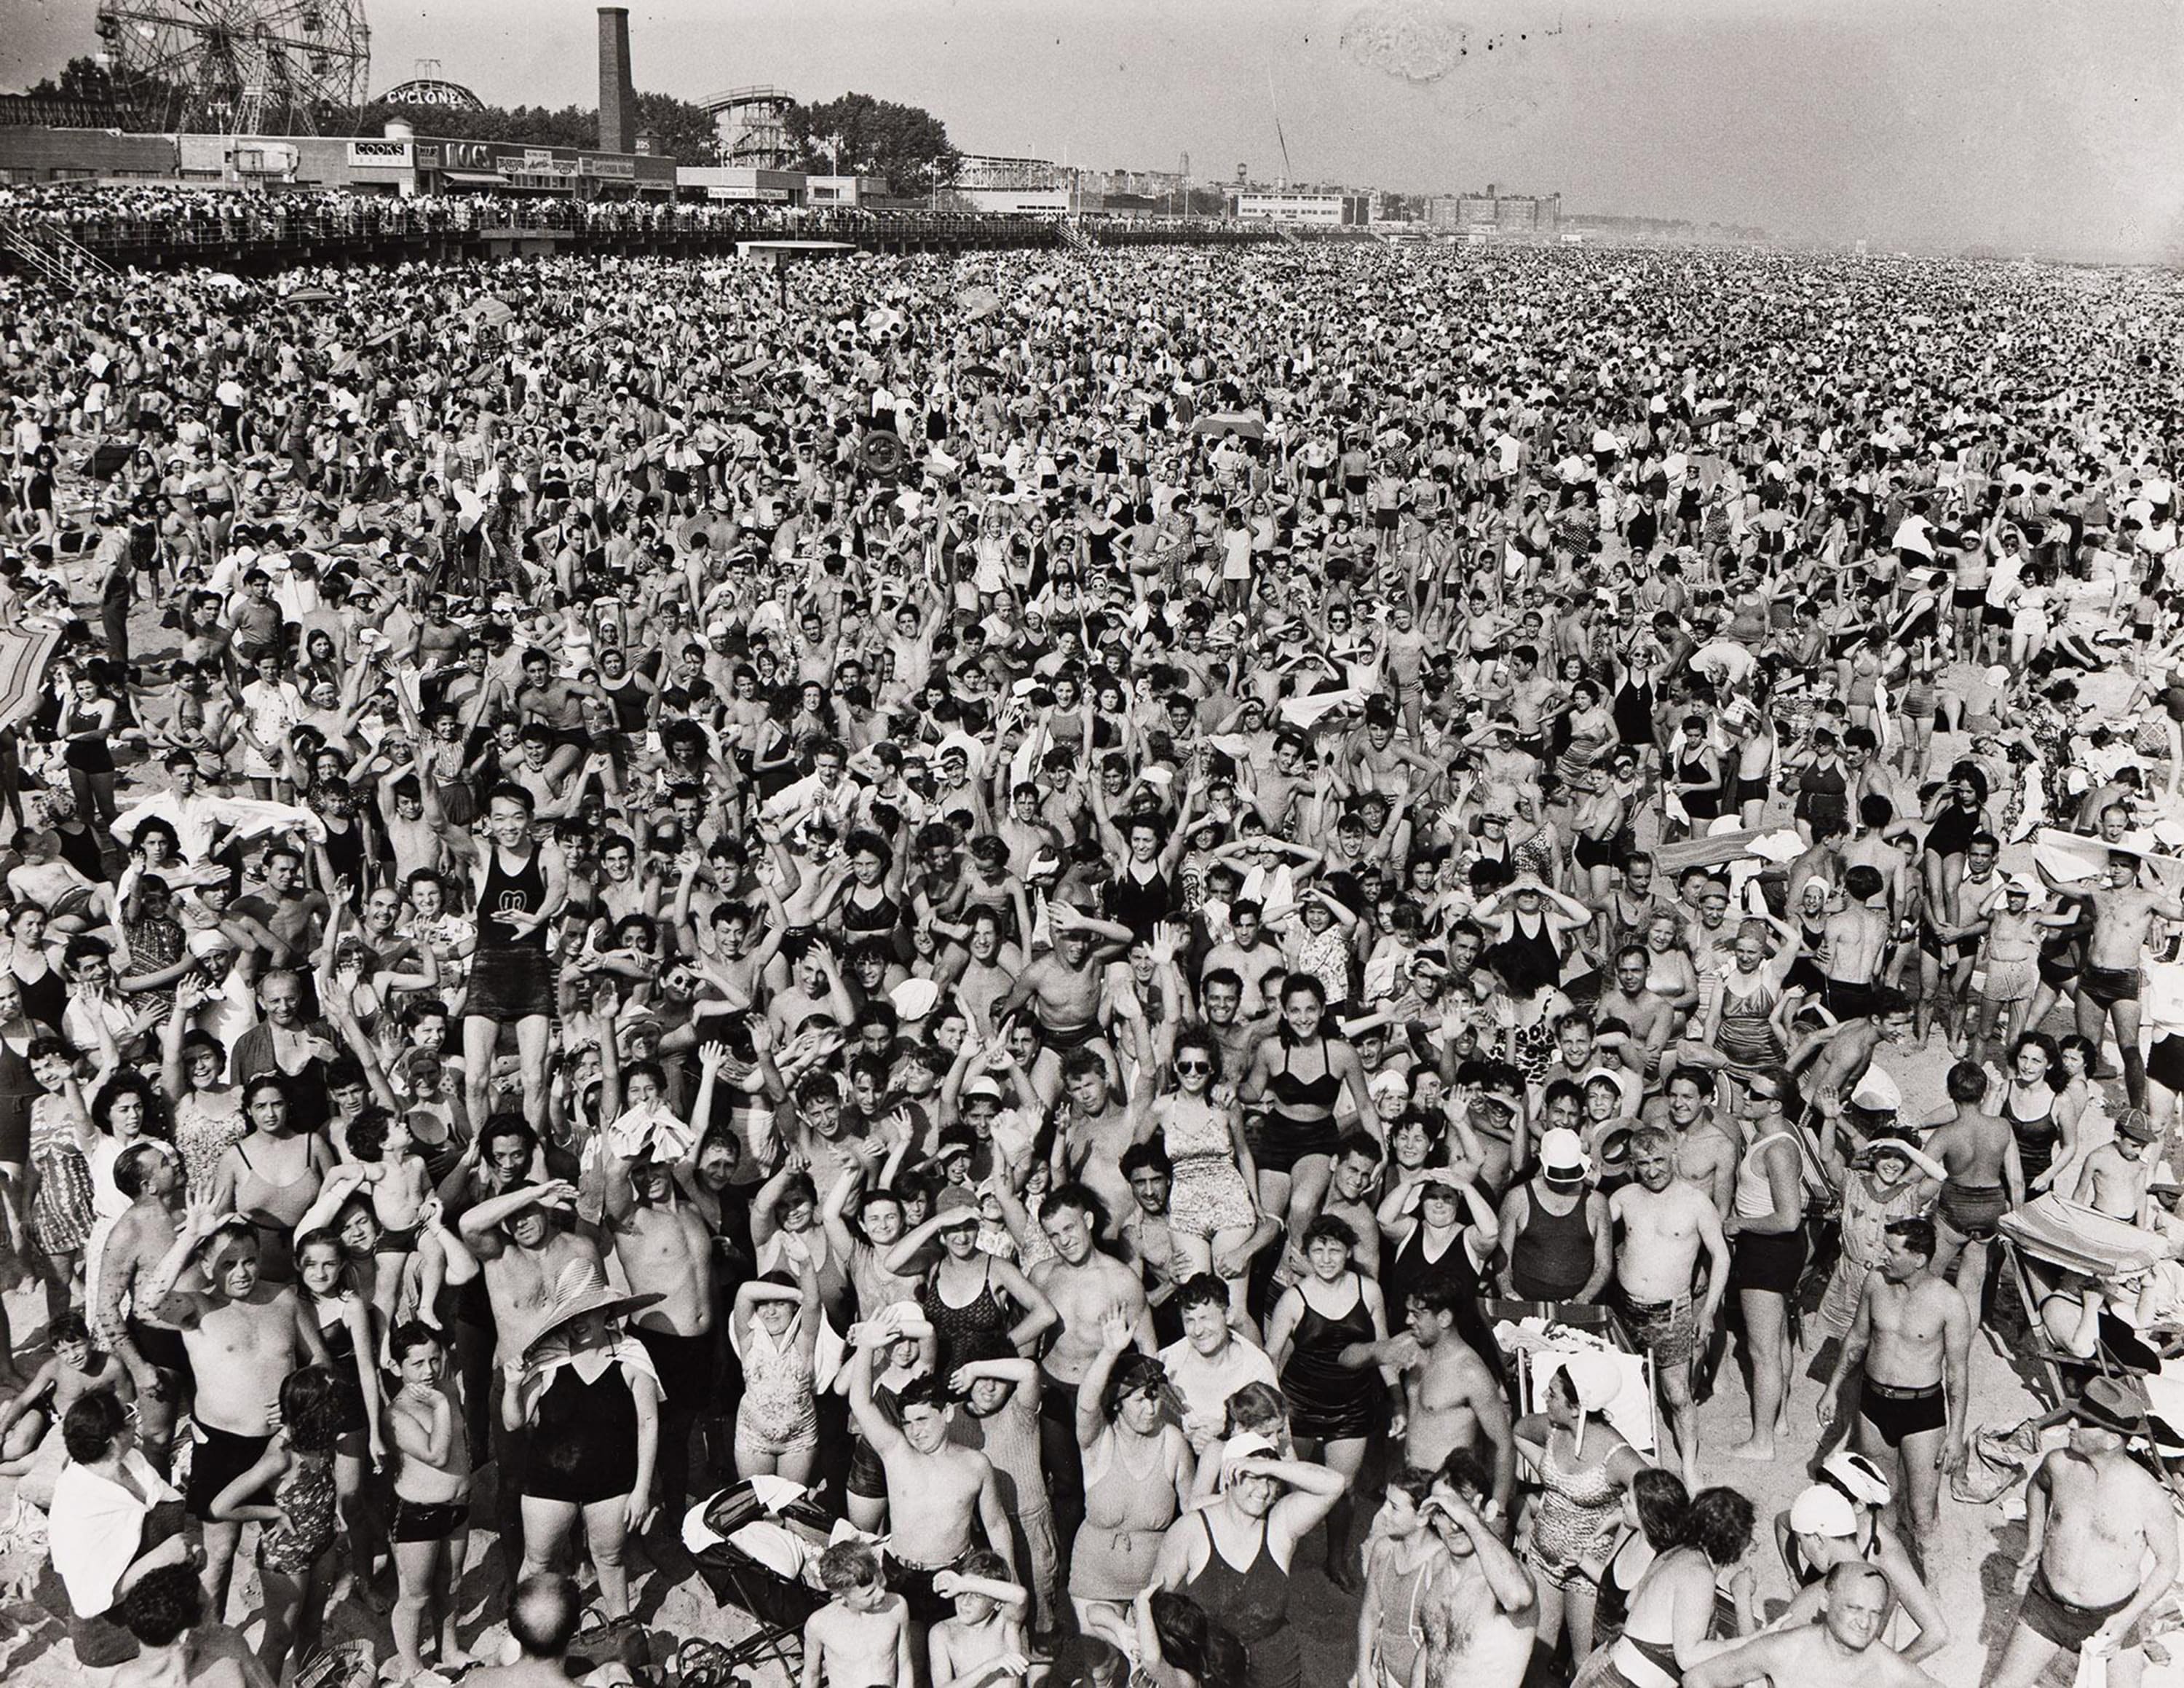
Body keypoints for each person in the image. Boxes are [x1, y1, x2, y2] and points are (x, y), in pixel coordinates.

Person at [1990, 1379, 2180, 1688]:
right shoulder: (2059, 1465)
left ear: (2111, 1440)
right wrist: (2034, 1543)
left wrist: (2127, 1618)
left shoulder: (2148, 1497)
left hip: (2111, 1617)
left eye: (2085, 1422)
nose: (2072, 1424)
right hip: (2047, 1605)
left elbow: (2168, 1564)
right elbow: (2037, 1487)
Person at [504, 1271, 662, 1622]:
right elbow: (513, 1422)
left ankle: (621, 1626)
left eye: (585, 1313)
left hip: (612, 1481)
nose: (577, 1324)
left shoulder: (631, 1355)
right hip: (549, 1481)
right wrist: (513, 1387)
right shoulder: (548, 1358)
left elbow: (648, 1425)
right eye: (570, 1316)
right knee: (538, 1563)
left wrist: (641, 1489)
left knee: (609, 1559)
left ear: (605, 1312)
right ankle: (523, 1635)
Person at [1816, 1218, 1969, 1561]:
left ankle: (1932, 1585)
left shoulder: (1950, 1302)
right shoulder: (1875, 1283)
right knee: (1882, 1497)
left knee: (1923, 1511)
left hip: (1922, 1413)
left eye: (1892, 1251)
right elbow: (1857, 1339)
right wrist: (1832, 1388)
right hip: (1873, 1406)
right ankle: (1886, 1574)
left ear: (1919, 1258)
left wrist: (1956, 1434)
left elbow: (1957, 1373)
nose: (1883, 1256)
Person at [1151, 1432, 1348, 1688]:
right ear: (1229, 1478)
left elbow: (1335, 1484)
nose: (1264, 1490)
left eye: (1271, 1481)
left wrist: (1266, 1466)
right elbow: (1156, 1602)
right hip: (1212, 1670)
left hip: (1276, 1671)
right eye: (1252, 1478)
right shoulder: (1191, 1530)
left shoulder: (1280, 1525)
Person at [1607, 1126, 1728, 1484]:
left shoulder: (1695, 1202)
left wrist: (1707, 1312)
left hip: (1671, 1312)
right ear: (1633, 1163)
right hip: (1625, 1309)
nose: (1653, 1170)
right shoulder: (1626, 1196)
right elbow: (1589, 1226)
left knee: (1677, 1395)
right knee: (1625, 1391)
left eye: (1659, 1160)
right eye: (1643, 1163)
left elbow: (1721, 1257)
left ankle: (1689, 1468)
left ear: (1673, 1154)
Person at [1679, 1562, 1942, 1687]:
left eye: (1875, 1613)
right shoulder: (1785, 1650)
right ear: (1826, 1602)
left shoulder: (1888, 1668)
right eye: (1854, 1608)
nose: (1865, 1622)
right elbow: (1698, 1679)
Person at [1411, 1449, 1538, 1688]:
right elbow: (1432, 1652)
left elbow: (1517, 1598)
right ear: (1432, 1518)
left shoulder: (1505, 1582)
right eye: (1442, 1511)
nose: (1454, 1523)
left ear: (1487, 1511)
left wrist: (1469, 1518)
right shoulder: (1439, 1574)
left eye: (1461, 1509)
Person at [109, 1564, 274, 1688]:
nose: (212, 1606)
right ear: (186, 1635)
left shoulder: (228, 1643)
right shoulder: (128, 1684)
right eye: (208, 1608)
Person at [805, 1539, 915, 1688]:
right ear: (840, 1599)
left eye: (881, 1580)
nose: (881, 1593)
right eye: (869, 1594)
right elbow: (812, 1675)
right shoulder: (820, 1624)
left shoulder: (897, 1607)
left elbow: (905, 1665)